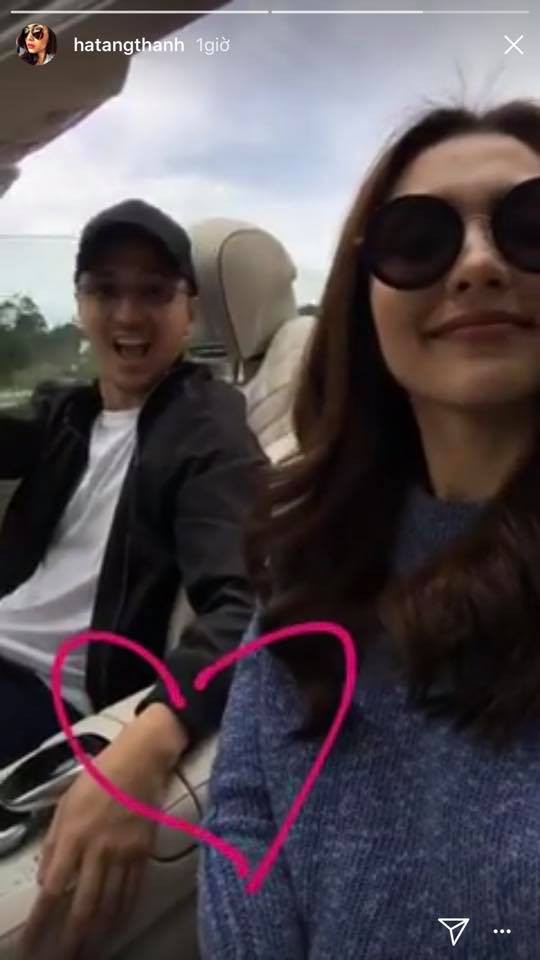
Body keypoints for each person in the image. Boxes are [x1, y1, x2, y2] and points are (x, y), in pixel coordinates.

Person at [199, 99, 540, 960]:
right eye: (419, 240)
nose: (478, 265)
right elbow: (247, 806)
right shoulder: (315, 549)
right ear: (365, 303)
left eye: (533, 226)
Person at [0, 199, 265, 957]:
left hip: (43, 692)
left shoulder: (210, 430)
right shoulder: (67, 414)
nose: (127, 314)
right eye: (105, 290)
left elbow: (247, 601)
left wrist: (153, 735)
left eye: (153, 291)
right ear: (80, 304)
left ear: (190, 310)